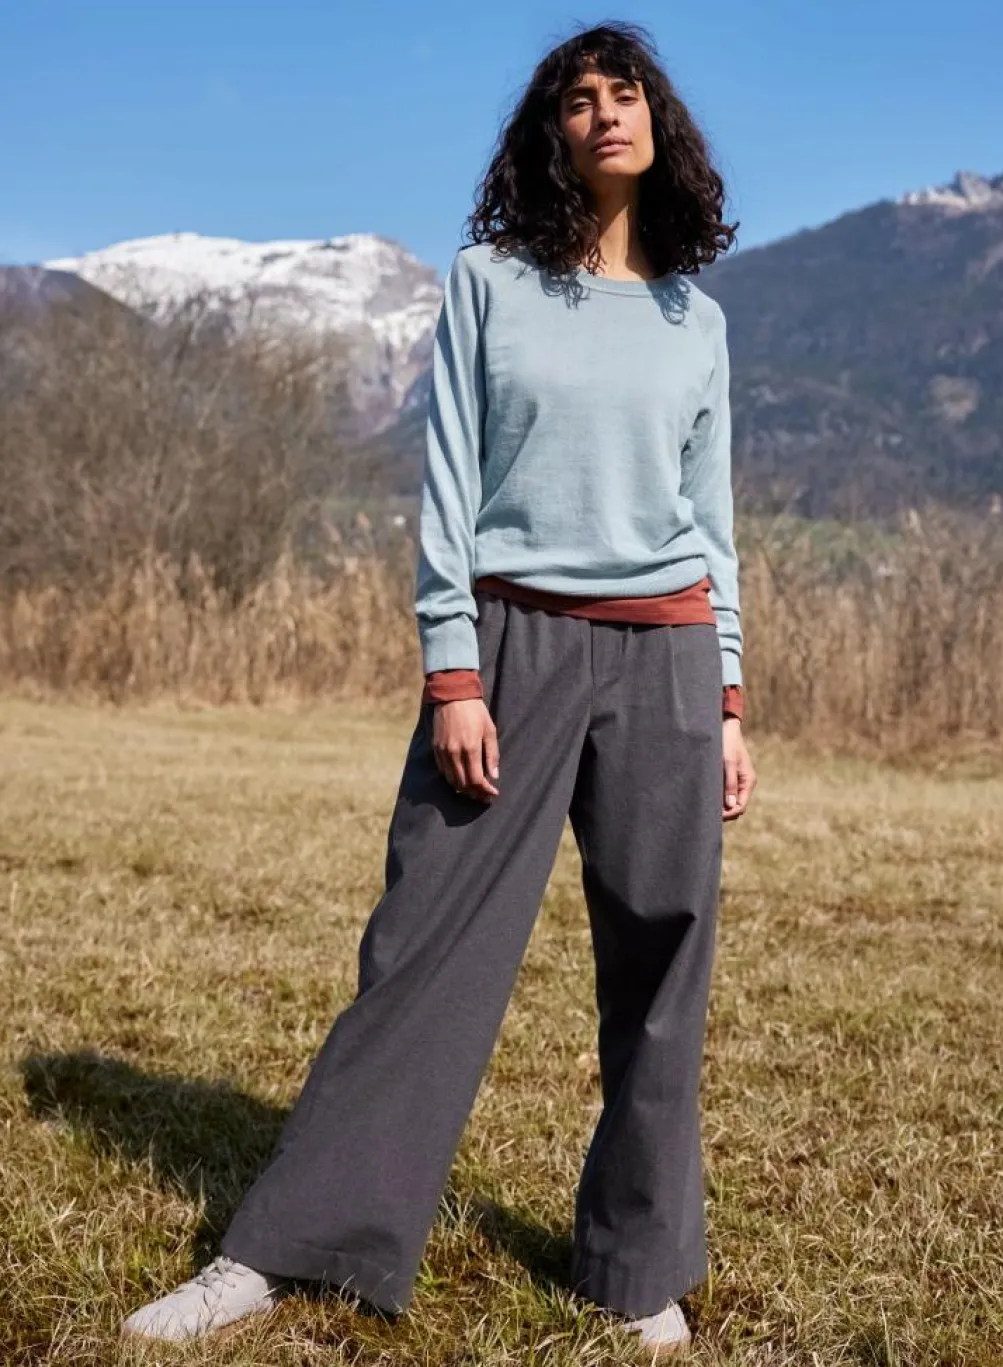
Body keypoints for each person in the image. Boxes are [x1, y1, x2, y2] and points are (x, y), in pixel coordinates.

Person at [121, 19, 757, 1360]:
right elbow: (450, 484)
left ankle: (635, 1263)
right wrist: (453, 669)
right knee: (423, 944)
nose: (604, 113)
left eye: (625, 92)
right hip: (513, 647)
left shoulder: (696, 320)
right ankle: (284, 1245)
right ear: (552, 135)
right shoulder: (490, 282)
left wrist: (730, 699)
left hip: (669, 657)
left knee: (665, 960)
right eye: (577, 99)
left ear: (660, 121)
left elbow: (713, 523)